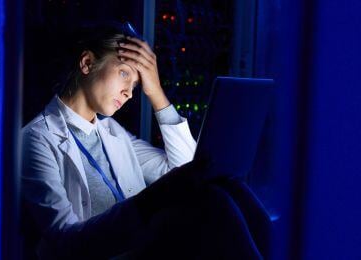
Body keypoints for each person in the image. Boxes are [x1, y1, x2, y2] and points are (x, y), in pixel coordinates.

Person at [20, 23, 265, 259]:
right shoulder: (36, 139)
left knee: (229, 188)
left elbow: (188, 167)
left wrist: (156, 92)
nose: (129, 92)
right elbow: (65, 242)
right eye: (124, 73)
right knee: (215, 204)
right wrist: (149, 201)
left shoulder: (111, 132)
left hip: (144, 248)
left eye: (137, 85)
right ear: (87, 63)